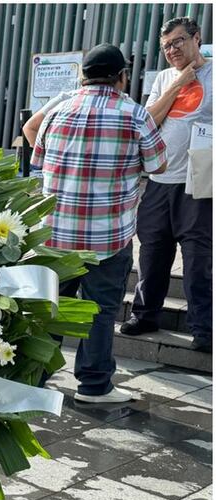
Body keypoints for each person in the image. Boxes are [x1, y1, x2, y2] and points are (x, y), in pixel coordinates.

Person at [32, 44, 168, 404]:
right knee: (100, 310)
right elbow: (159, 165)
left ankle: (34, 379)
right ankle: (94, 385)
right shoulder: (135, 114)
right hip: (108, 238)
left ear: (83, 76)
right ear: (121, 77)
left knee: (52, 307)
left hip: (55, 234)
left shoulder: (57, 111)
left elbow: (38, 158)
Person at [122, 16, 213, 353]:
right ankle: (145, 315)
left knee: (198, 258)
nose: (172, 50)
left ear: (196, 38)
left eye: (177, 42)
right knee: (152, 251)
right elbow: (148, 121)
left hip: (198, 182)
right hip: (159, 179)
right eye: (166, 47)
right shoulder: (164, 78)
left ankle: (204, 328)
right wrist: (178, 83)